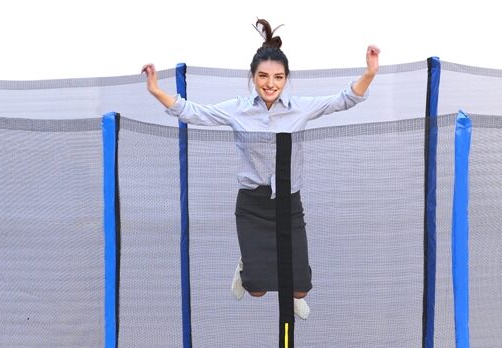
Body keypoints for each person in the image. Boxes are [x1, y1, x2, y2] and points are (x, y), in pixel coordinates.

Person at [142, 19, 380, 319]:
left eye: (278, 77)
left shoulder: (300, 107)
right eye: (263, 76)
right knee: (256, 289)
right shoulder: (238, 109)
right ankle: (246, 266)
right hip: (252, 204)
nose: (271, 84)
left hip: (288, 203)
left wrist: (370, 73)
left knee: (300, 289)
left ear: (286, 79)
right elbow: (194, 112)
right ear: (253, 77)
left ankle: (282, 283)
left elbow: (344, 100)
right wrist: (155, 90)